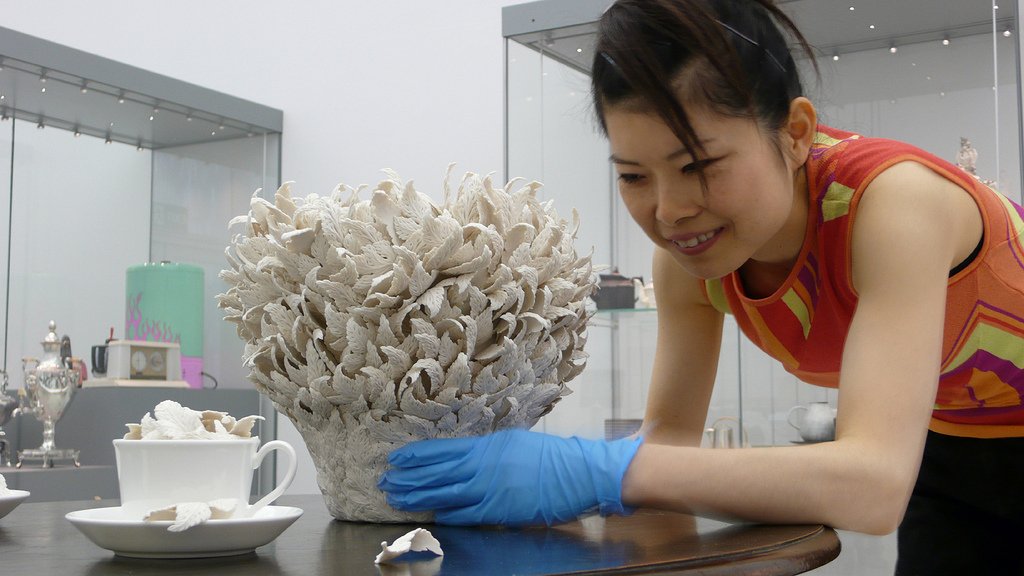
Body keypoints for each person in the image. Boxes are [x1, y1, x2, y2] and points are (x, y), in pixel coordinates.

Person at [379, 1, 1024, 573]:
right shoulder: (689, 267)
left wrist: (593, 469)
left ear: (795, 133)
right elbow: (668, 454)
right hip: (950, 448)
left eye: (698, 165)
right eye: (634, 176)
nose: (669, 211)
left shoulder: (893, 203)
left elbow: (873, 486)